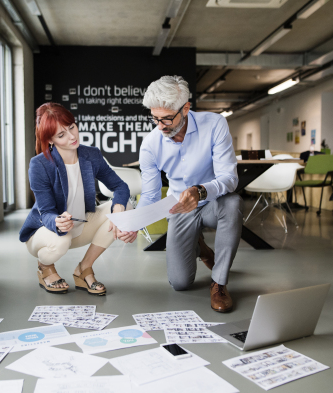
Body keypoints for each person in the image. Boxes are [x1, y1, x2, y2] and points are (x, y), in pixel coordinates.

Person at [137, 75, 243, 312]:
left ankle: (219, 283)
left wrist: (201, 190)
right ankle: (200, 247)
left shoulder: (215, 124)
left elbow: (230, 178)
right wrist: (133, 222)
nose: (160, 125)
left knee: (233, 203)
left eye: (166, 118)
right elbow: (151, 195)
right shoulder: (151, 144)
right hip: (180, 208)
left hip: (215, 202)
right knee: (180, 283)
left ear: (185, 108)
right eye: (155, 118)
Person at [19, 103, 136, 296]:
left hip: (80, 225)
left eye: (71, 127)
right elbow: (46, 211)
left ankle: (83, 269)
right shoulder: (39, 165)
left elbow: (120, 186)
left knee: (127, 206)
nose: (72, 136)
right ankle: (45, 266)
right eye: (61, 135)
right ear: (49, 140)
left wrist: (119, 210)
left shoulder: (91, 155)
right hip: (44, 233)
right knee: (61, 240)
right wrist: (57, 222)